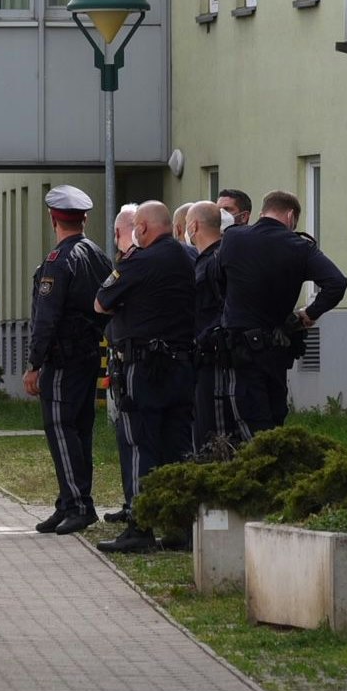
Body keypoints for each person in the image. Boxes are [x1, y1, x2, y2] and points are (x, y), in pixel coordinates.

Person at [95, 200, 198, 553]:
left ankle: (140, 528)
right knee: (179, 446)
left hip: (145, 367)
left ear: (142, 228)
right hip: (183, 366)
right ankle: (182, 527)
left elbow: (101, 301)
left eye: (136, 226)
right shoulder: (191, 257)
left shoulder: (139, 261)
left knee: (140, 442)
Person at [211, 188, 347, 435]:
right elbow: (337, 283)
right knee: (274, 422)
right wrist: (309, 314)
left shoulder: (233, 239)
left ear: (262, 213)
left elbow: (217, 281)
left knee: (247, 426)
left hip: (239, 351)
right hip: (277, 348)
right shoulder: (300, 248)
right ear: (291, 216)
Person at [21, 186, 110, 535]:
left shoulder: (60, 261)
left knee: (60, 429)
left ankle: (78, 504)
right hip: (88, 356)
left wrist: (34, 364)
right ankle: (68, 501)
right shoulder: (97, 256)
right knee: (79, 429)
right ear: (84, 219)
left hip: (62, 360)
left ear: (53, 219)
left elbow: (47, 317)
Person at [101, 201, 145, 520]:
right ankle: (132, 502)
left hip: (132, 362)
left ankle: (135, 505)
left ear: (118, 232)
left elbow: (102, 302)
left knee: (131, 437)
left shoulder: (130, 265)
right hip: (138, 360)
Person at [178, 200, 234, 448]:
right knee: (202, 429)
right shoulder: (207, 260)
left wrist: (206, 339)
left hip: (215, 358)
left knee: (215, 433)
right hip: (204, 358)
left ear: (193, 226)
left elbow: (220, 309)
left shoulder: (216, 261)